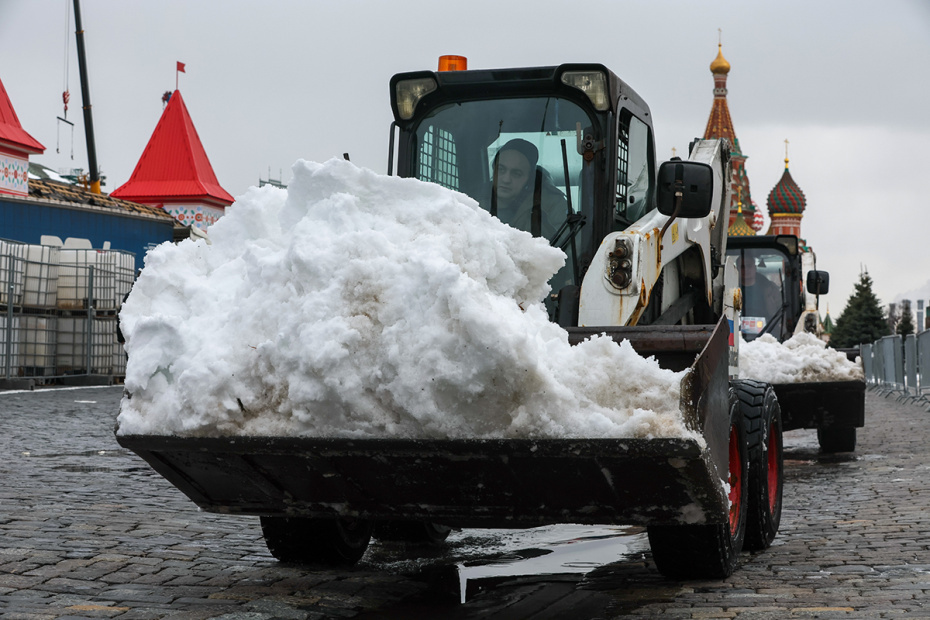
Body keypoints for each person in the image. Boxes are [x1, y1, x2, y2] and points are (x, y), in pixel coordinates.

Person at [489, 139, 566, 239]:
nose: (506, 179)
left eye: (516, 173)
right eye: (501, 170)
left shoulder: (551, 206)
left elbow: (574, 248)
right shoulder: (473, 201)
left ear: (529, 178)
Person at [739, 256, 784, 336]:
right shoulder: (730, 290)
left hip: (768, 332)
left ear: (755, 268)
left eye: (749, 266)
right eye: (742, 266)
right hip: (738, 334)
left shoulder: (771, 289)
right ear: (737, 269)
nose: (746, 269)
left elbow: (781, 312)